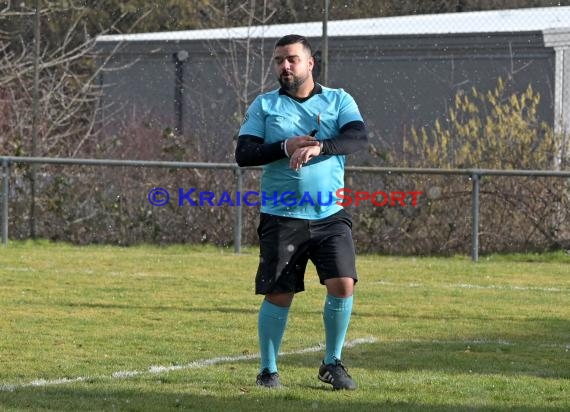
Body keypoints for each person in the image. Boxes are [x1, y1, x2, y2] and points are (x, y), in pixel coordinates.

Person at [235, 34, 367, 390]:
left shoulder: (338, 99)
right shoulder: (265, 106)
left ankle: (332, 362)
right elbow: (244, 154)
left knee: (343, 284)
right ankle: (268, 371)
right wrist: (285, 145)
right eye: (279, 61)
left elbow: (358, 138)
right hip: (282, 216)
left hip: (330, 214)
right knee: (279, 294)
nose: (285, 66)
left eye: (292, 59)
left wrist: (320, 147)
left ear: (310, 63)